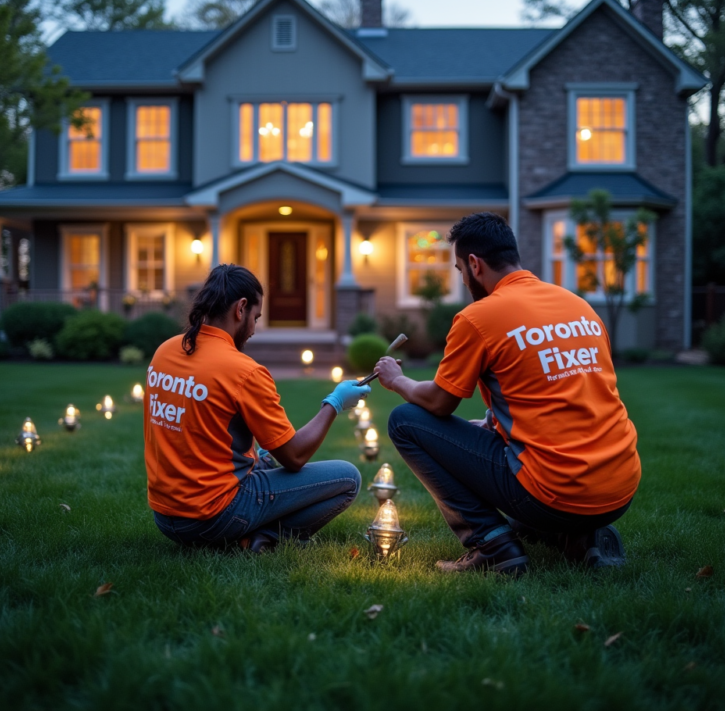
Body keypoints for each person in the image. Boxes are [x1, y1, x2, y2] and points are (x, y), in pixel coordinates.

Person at [374, 212, 640, 576]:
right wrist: (490, 425)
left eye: (458, 270)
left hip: (554, 490)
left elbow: (439, 402)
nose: (463, 279)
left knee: (405, 421)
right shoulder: (578, 306)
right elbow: (557, 391)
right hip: (620, 489)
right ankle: (581, 536)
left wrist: (397, 380)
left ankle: (493, 545)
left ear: (474, 264)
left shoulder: (479, 317)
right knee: (518, 478)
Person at [145, 264, 369, 553]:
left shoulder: (166, 351)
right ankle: (262, 538)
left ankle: (246, 533)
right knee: (347, 478)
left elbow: (197, 430)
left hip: (166, 516)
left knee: (263, 458)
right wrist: (334, 403)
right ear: (241, 309)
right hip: (212, 515)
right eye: (256, 317)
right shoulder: (243, 370)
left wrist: (257, 456)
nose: (253, 329)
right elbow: (294, 456)